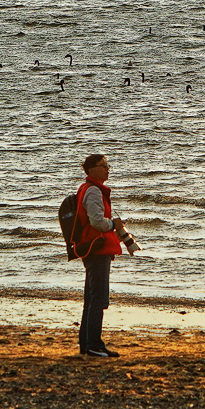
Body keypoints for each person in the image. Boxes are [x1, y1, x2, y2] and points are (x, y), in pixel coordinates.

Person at [71, 153, 125, 357]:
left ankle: (90, 343)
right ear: (92, 169)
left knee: (92, 298)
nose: (108, 168)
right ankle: (92, 344)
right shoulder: (92, 191)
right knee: (98, 299)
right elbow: (97, 222)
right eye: (104, 165)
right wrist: (113, 225)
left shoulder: (88, 189)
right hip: (96, 248)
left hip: (94, 248)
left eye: (107, 165)